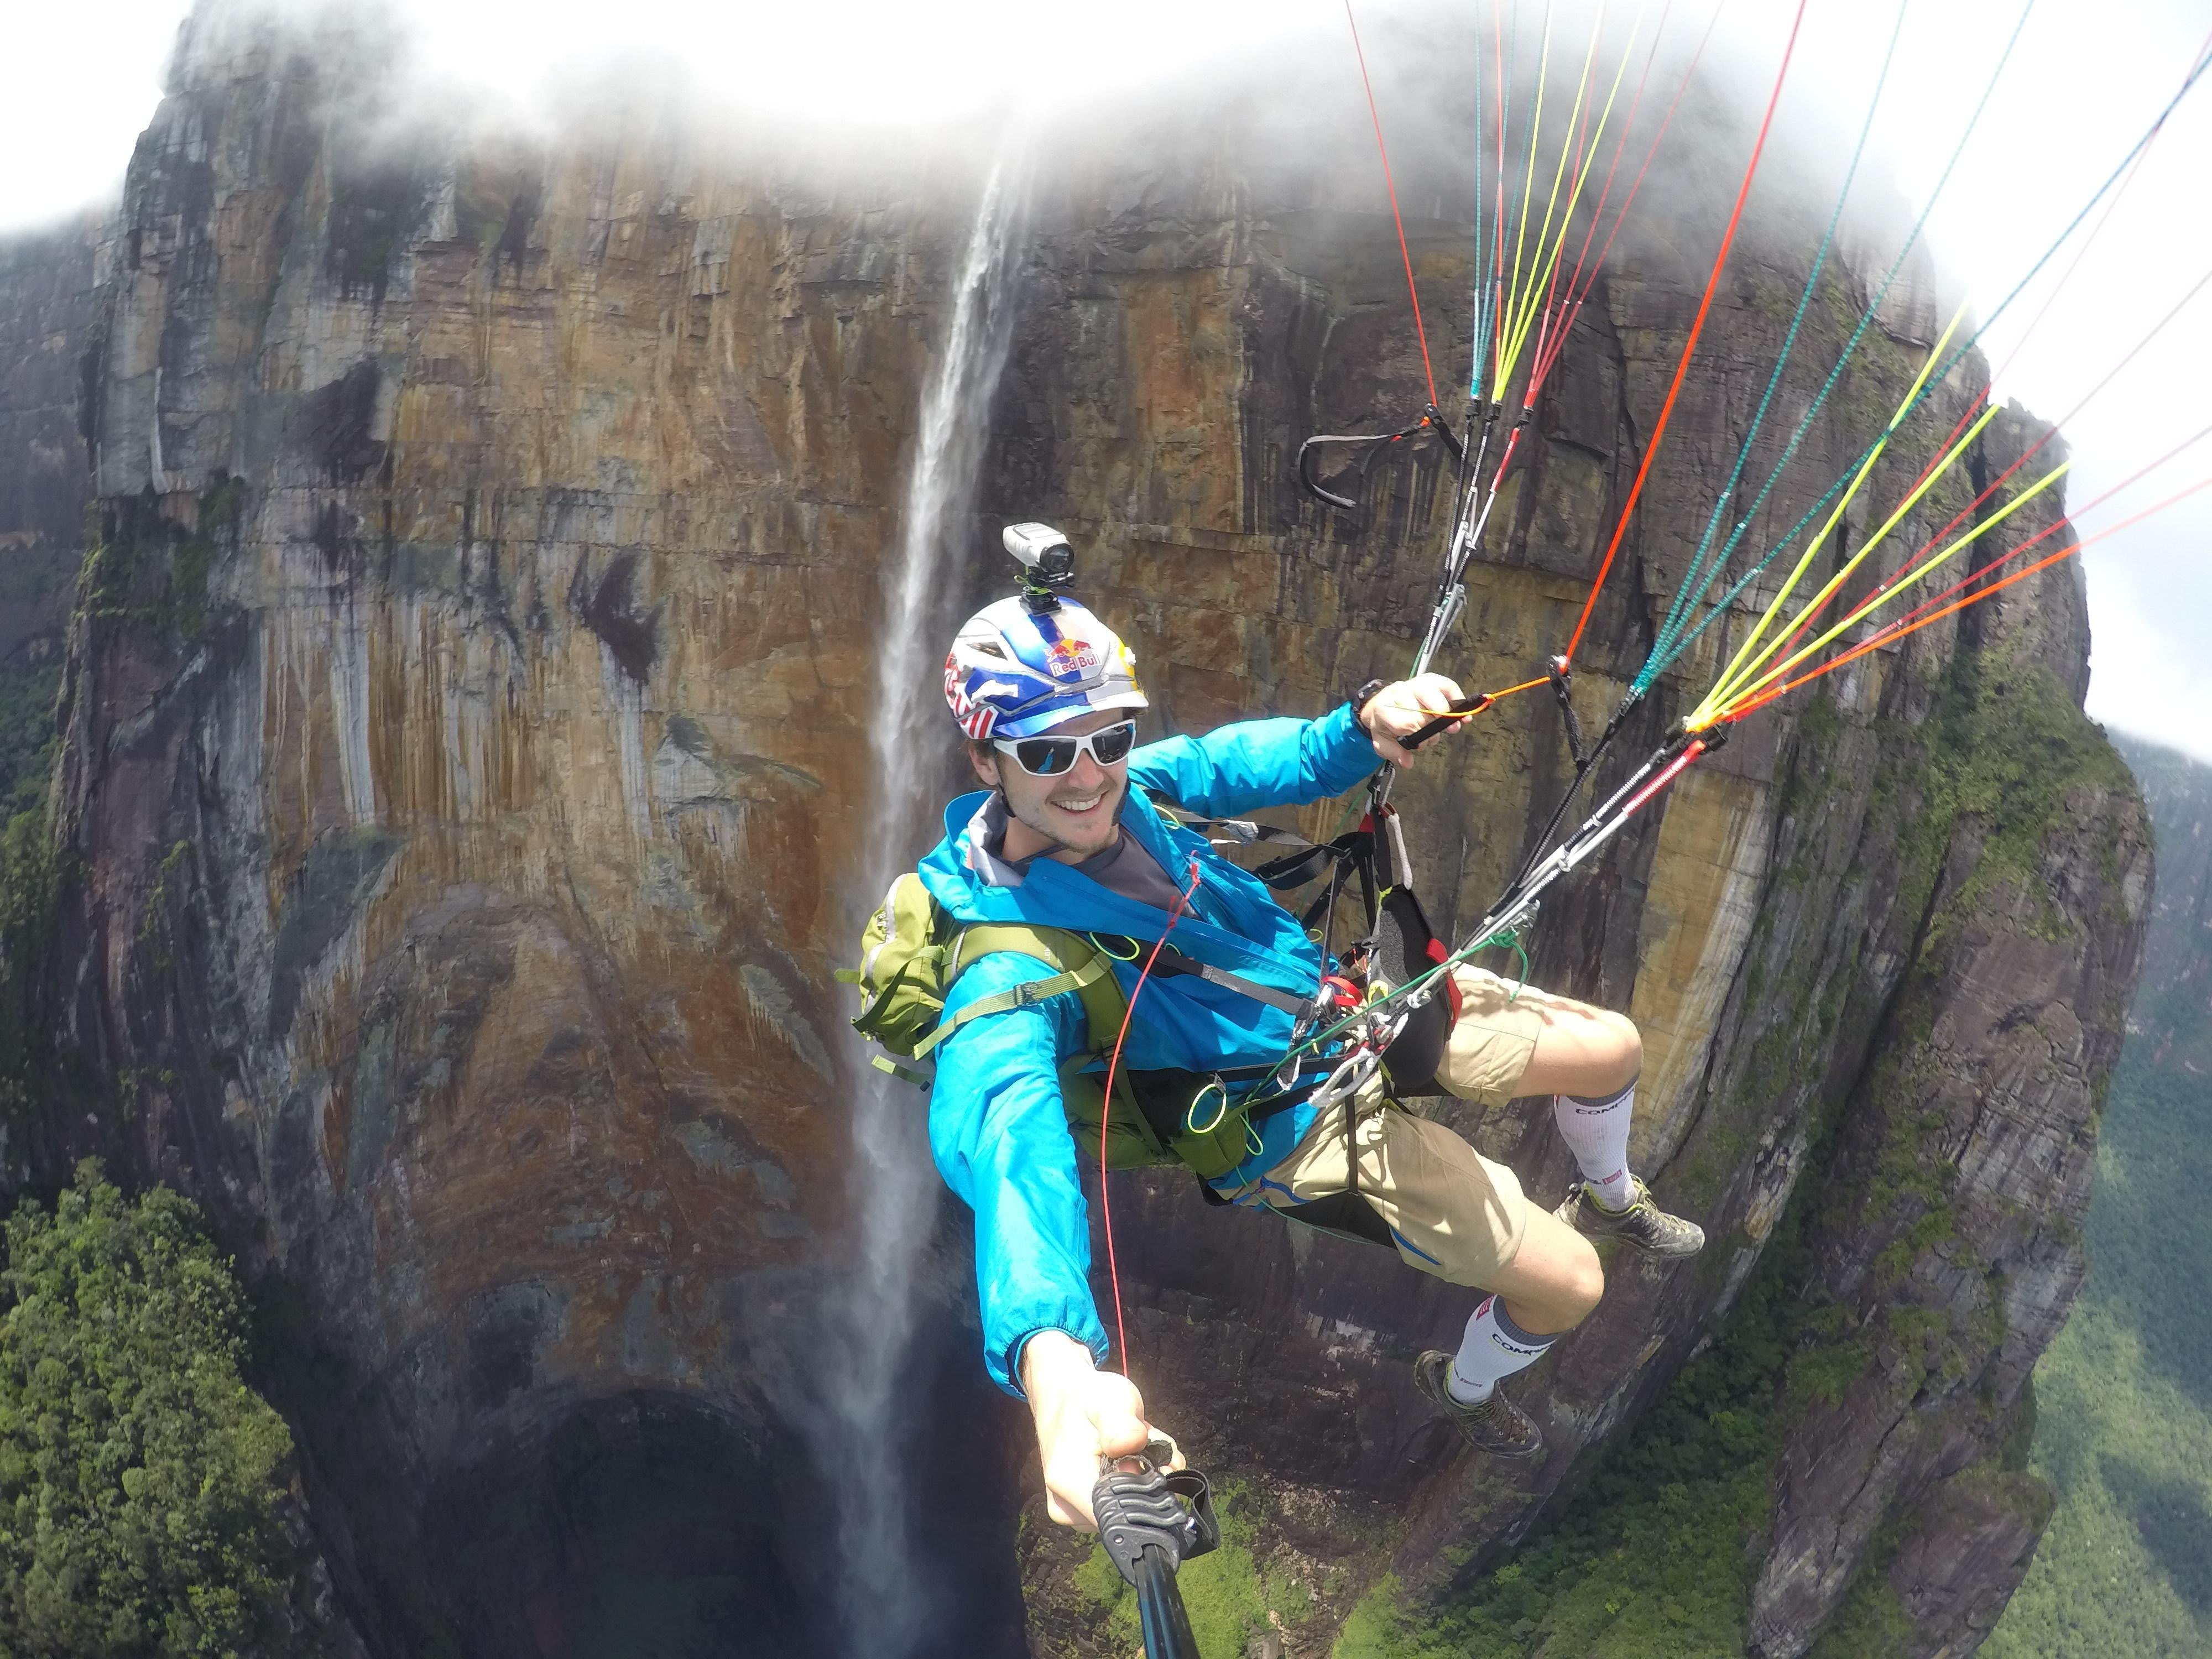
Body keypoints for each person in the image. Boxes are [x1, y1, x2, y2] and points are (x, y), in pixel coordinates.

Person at [919, 577, 1705, 1531]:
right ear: (983, 755)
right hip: (1290, 1128)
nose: (1088, 776)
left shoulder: (1130, 799)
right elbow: (1008, 1140)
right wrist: (1053, 1363)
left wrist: (1362, 726)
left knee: (1612, 1046)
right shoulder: (1003, 961)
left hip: (1348, 1006)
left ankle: (1614, 1195)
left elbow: (1226, 761)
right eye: (1046, 751)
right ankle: (1464, 1385)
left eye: (1108, 738)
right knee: (1572, 1284)